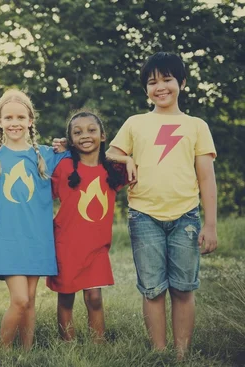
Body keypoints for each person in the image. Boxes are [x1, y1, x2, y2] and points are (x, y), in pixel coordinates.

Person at [107, 52, 218, 359]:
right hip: (144, 216)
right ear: (146, 88)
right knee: (153, 289)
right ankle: (160, 352)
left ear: (181, 82)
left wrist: (210, 225)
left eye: (167, 79)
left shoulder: (196, 125)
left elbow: (207, 178)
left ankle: (181, 353)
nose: (160, 87)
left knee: (183, 288)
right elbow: (110, 156)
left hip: (186, 217)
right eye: (152, 82)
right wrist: (126, 157)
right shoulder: (135, 123)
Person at [0, 89, 68, 350]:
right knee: (20, 299)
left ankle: (26, 353)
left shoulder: (46, 155)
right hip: (8, 239)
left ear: (30, 120)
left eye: (21, 117)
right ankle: (3, 351)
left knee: (31, 299)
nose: (15, 122)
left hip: (38, 237)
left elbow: (82, 159)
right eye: (8, 117)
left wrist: (68, 145)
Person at [46, 110, 135, 343]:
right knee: (66, 296)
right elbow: (44, 191)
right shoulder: (64, 168)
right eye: (78, 132)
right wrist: (62, 151)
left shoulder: (113, 171)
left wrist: (125, 158)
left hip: (97, 247)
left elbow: (140, 163)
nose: (85, 135)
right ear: (70, 140)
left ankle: (98, 342)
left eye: (92, 130)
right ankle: (67, 343)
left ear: (103, 136)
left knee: (94, 297)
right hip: (66, 244)